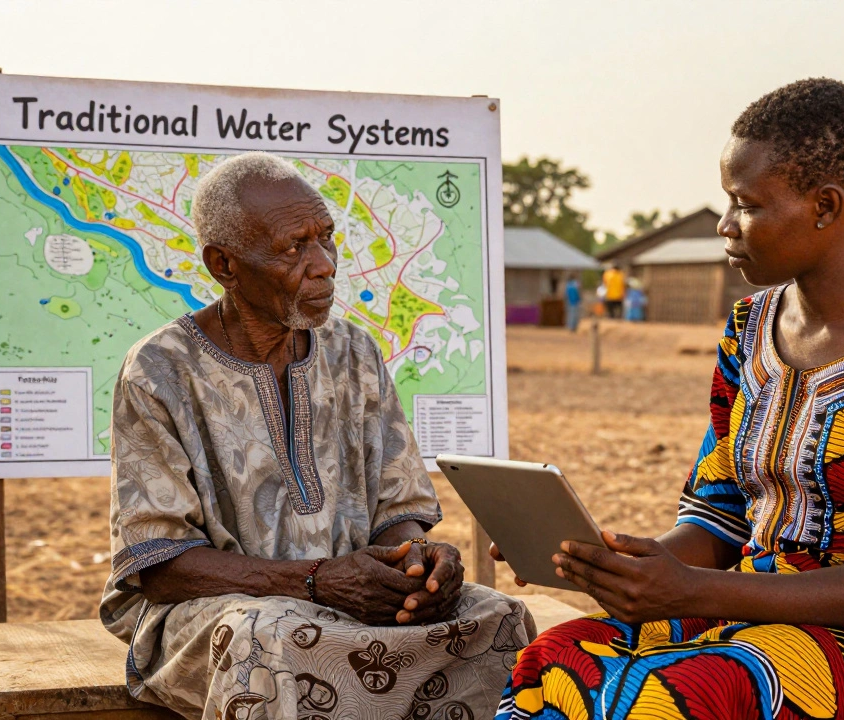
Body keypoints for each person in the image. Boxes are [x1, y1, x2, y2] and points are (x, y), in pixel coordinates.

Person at [493, 79, 844, 720]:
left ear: (825, 206)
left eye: (746, 204)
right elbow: (718, 517)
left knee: (693, 691)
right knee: (561, 653)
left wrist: (693, 592)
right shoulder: (749, 328)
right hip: (751, 601)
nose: (724, 224)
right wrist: (605, 563)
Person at [100, 152, 530, 720]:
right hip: (216, 614)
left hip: (356, 601)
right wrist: (315, 581)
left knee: (497, 619)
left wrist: (417, 562)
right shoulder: (159, 370)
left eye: (327, 238)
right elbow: (160, 564)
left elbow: (396, 509)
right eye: (293, 247)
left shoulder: (355, 353)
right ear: (224, 265)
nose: (324, 263)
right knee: (271, 641)